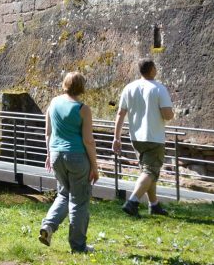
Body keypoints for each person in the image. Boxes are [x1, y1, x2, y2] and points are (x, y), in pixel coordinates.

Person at [38, 72, 99, 254]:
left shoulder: (53, 103)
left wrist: (49, 154)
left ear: (64, 84)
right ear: (81, 87)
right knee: (79, 202)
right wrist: (95, 166)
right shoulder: (83, 109)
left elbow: (48, 132)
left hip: (56, 154)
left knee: (64, 195)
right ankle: (78, 246)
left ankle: (48, 227)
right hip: (77, 156)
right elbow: (88, 140)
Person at [112, 58, 174, 217]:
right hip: (154, 137)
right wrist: (170, 113)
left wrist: (116, 138)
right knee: (150, 171)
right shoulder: (159, 88)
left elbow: (120, 114)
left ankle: (154, 205)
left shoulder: (129, 88)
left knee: (148, 171)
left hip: (136, 138)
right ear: (153, 69)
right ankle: (132, 202)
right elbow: (167, 115)